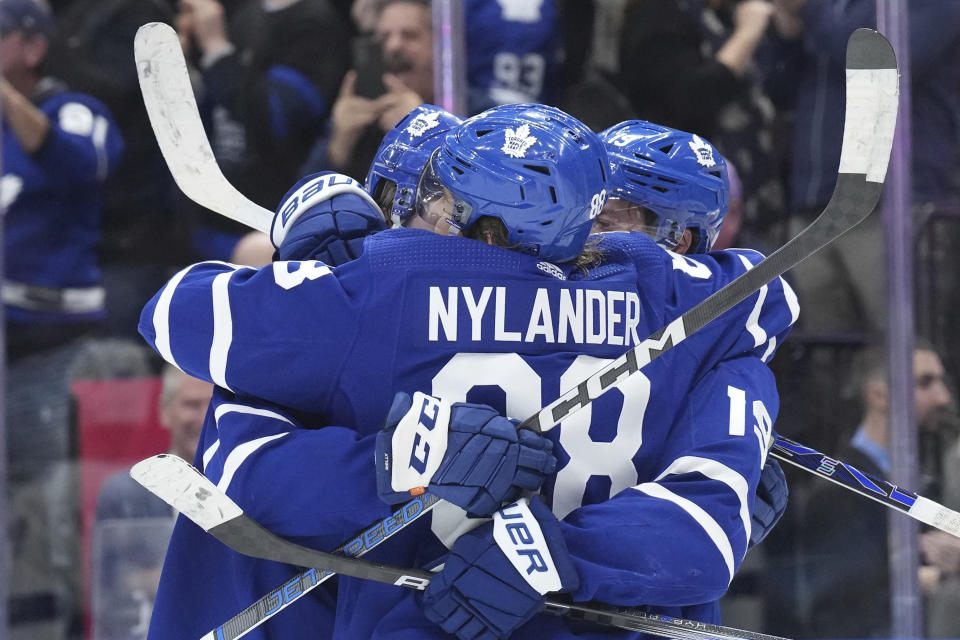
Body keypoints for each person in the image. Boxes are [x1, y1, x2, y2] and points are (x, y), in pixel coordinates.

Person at [139, 103, 796, 639]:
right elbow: (768, 301)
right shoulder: (686, 304)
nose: (424, 220)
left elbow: (181, 331)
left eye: (436, 203)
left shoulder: (377, 291)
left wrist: (305, 274)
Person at [0, 0, 124, 636]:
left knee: (43, 507)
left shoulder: (72, 110)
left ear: (31, 46)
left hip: (47, 350)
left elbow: (84, 167)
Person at [801, 341, 954, 638]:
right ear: (879, 395)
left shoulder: (927, 476)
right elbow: (846, 597)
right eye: (925, 383)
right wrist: (935, 575)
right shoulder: (834, 490)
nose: (943, 397)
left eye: (941, 381)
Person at [174, 0, 349, 260]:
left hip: (270, 230)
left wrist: (216, 48)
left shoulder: (316, 23)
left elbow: (274, 120)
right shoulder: (242, 16)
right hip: (206, 227)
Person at [616, 0, 785, 252]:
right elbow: (691, 98)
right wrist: (747, 34)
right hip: (693, 201)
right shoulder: (657, 12)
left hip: (756, 196)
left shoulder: (723, 13)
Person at [92, 366, 213, 640]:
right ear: (165, 410)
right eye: (192, 405)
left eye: (214, 405)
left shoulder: (246, 491)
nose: (206, 417)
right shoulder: (124, 494)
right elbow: (114, 588)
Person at [302, 0, 434, 181]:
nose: (393, 46)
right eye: (384, 37)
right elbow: (302, 193)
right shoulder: (360, 113)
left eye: (410, 35)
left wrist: (422, 130)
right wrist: (338, 146)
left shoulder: (469, 109)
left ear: (439, 45)